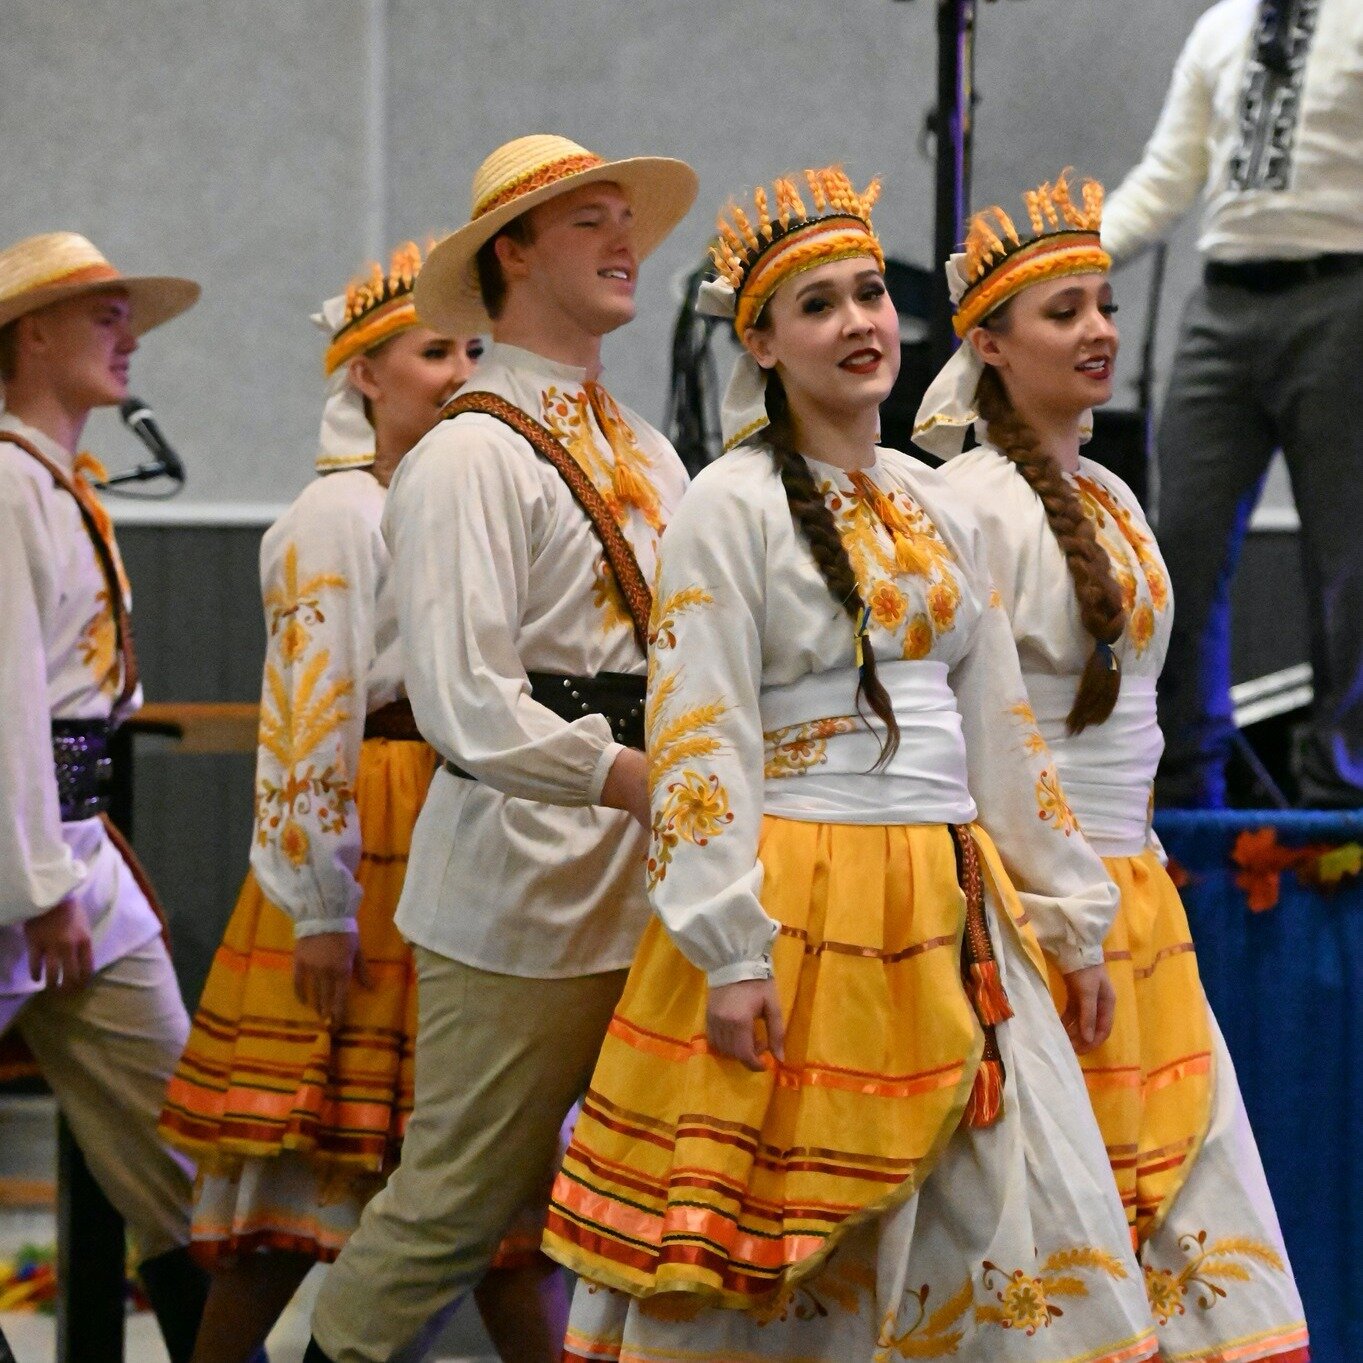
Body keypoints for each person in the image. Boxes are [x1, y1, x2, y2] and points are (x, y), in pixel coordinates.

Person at [542, 166, 1156, 1363]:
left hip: (947, 900)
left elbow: (999, 735)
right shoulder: (726, 506)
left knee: (983, 1209)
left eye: (870, 294)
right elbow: (699, 736)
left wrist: (1071, 913)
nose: (858, 323)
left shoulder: (943, 506)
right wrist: (726, 946)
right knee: (788, 1246)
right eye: (816, 305)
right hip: (798, 907)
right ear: (761, 342)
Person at [302, 134, 697, 1363]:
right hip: (526, 883)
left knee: (668, 1186)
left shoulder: (647, 446)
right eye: (588, 222)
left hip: (662, 867)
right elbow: (464, 701)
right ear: (511, 254)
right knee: (453, 1205)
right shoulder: (469, 451)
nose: (625, 241)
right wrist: (635, 777)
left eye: (626, 218)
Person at [922, 170, 1309, 1363]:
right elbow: (985, 737)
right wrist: (1053, 914)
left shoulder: (1113, 495)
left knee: (1176, 1190)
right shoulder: (962, 506)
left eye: (1103, 304)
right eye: (1062, 312)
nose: (1098, 330)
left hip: (1132, 889)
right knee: (1048, 1217)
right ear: (986, 345)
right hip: (1032, 905)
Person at [157, 244, 556, 1362]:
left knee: (478, 1189)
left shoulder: (454, 489)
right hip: (370, 837)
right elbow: (307, 715)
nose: (461, 368)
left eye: (472, 348)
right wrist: (319, 904)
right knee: (311, 1183)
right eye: (434, 351)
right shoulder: (337, 515)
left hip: (452, 812)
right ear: (364, 376)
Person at [0, 230, 207, 1361]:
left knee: (180, 1149)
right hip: (29, 856)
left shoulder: (49, 480)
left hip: (72, 848)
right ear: (31, 334)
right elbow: (5, 704)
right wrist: (36, 883)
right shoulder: (5, 483)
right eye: (101, 315)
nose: (126, 337)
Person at [1101, 0, 1363, 807]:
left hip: (1343, 290)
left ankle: (1338, 802)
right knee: (1175, 547)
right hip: (1223, 303)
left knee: (1348, 561)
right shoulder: (1221, 26)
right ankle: (1184, 793)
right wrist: (1051, 262)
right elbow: (1164, 177)